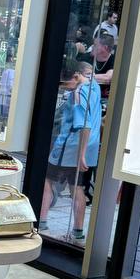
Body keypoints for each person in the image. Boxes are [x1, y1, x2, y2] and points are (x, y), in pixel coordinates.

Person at [40, 61, 102, 241]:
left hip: (71, 147)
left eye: (65, 83)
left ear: (76, 76)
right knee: (78, 188)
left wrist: (80, 155)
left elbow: (84, 125)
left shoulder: (78, 94)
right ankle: (77, 233)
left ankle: (41, 224)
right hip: (88, 147)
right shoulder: (94, 86)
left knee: (47, 182)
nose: (64, 87)